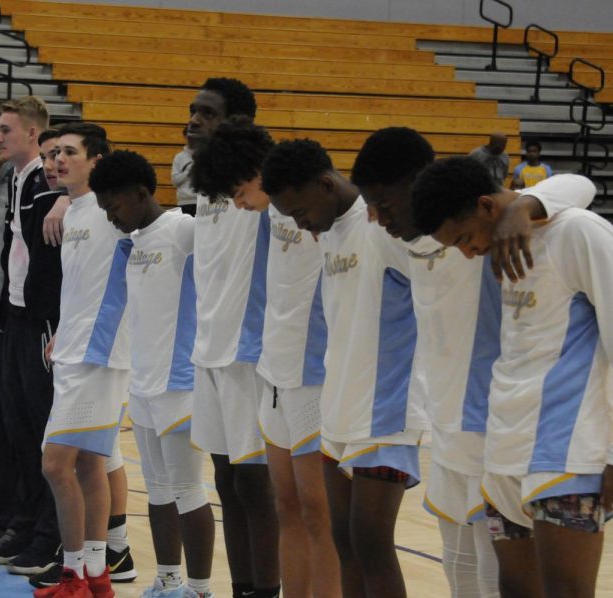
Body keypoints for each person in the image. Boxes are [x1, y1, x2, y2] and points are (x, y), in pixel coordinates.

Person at [349, 127, 596, 598]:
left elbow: (579, 185)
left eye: (385, 204)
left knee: (503, 580)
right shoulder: (407, 238)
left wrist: (523, 208)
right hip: (444, 431)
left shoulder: (487, 229)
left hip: (498, 431)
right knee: (459, 573)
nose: (377, 217)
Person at [411, 157, 611, 598]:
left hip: (566, 451)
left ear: (486, 207)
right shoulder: (501, 243)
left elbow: (579, 185)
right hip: (504, 448)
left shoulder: (578, 231)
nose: (467, 254)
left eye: (464, 239)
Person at [262, 139, 424, 598]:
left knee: (372, 545)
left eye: (299, 211)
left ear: (327, 183)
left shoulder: (385, 227)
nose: (300, 224)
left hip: (388, 411)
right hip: (339, 406)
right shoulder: (328, 228)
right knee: (345, 542)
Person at [192, 118, 340, 598]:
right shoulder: (272, 213)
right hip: (276, 371)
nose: (236, 202)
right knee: (290, 506)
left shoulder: (321, 213)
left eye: (238, 190)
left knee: (321, 511)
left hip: (316, 372)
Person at [95, 150, 216, 598]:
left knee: (188, 488)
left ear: (142, 193)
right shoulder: (134, 242)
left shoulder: (184, 231)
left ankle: (200, 589)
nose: (110, 217)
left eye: (114, 207)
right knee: (159, 490)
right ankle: (168, 579)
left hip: (181, 384)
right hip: (143, 384)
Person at [186, 79, 280, 598]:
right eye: (193, 111)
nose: (194, 121)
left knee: (254, 483)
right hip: (208, 349)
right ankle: (242, 587)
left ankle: (268, 589)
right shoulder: (207, 189)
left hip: (252, 352)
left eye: (208, 113)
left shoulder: (266, 187)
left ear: (239, 123)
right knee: (225, 482)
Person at [37, 122, 127, 598]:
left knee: (56, 465)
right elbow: (78, 287)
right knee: (91, 465)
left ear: (97, 160)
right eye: (53, 154)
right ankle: (94, 577)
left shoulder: (115, 212)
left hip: (101, 352)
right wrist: (62, 332)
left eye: (69, 152)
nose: (57, 161)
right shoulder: (72, 212)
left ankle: (73, 573)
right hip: (72, 348)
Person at [0, 97, 63, 572]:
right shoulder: (13, 179)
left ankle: (49, 536)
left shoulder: (45, 180)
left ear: (33, 134)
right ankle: (26, 523)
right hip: (13, 315)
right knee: (18, 430)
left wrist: (69, 197)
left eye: (7, 129)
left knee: (42, 435)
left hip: (41, 322)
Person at [171, 127, 197, 217]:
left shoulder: (206, 156)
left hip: (203, 202)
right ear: (185, 137)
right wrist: (188, 173)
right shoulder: (179, 157)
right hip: (184, 202)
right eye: (189, 136)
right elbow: (174, 181)